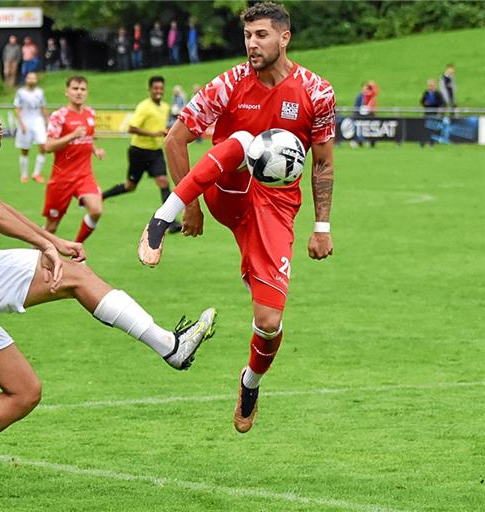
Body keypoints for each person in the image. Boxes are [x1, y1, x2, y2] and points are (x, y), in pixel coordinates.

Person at [0, 84, 218, 509]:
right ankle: (170, 346)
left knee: (24, 390)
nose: (0, 120)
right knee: (75, 277)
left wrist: (51, 239)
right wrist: (47, 249)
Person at [140, 1, 335, 434]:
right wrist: (190, 206)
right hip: (228, 187)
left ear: (284, 37)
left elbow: (322, 163)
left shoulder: (316, 92)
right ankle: (160, 220)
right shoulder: (228, 84)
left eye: (261, 35)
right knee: (245, 140)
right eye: (247, 35)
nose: (252, 44)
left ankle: (250, 382)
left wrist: (321, 227)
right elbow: (176, 139)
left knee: (269, 323)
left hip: (276, 208)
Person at [103, 76, 182, 234]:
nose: (158, 91)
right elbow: (131, 128)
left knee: (163, 181)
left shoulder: (165, 107)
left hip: (156, 152)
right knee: (130, 186)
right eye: (155, 88)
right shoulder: (144, 107)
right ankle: (101, 196)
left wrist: (166, 132)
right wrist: (153, 134)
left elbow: (160, 127)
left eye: (161, 88)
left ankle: (170, 221)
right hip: (138, 151)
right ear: (150, 89)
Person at [43, 76, 105, 243]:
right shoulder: (59, 116)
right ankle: (33, 261)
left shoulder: (90, 113)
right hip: (62, 178)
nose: (79, 92)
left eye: (83, 89)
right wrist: (72, 135)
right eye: (75, 89)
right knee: (51, 227)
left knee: (96, 210)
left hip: (84, 175)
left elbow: (88, 138)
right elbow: (48, 146)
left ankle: (77, 248)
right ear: (67, 92)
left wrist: (95, 150)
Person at [14, 71, 49, 184]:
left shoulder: (40, 92)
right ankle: (24, 175)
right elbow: (17, 109)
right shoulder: (20, 92)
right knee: (25, 150)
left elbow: (43, 107)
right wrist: (21, 124)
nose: (32, 80)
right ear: (26, 79)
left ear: (36, 80)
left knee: (43, 146)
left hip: (38, 121)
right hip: (25, 122)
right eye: (29, 78)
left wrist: (47, 122)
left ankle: (36, 173)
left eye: (34, 78)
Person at [420, 79, 445, 147]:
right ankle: (423, 143)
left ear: (434, 86)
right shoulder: (426, 93)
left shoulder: (438, 93)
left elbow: (442, 102)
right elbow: (422, 101)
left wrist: (436, 105)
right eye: (429, 85)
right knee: (425, 128)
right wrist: (425, 104)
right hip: (427, 113)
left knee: (432, 128)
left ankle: (432, 143)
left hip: (434, 113)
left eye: (432, 85)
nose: (430, 87)